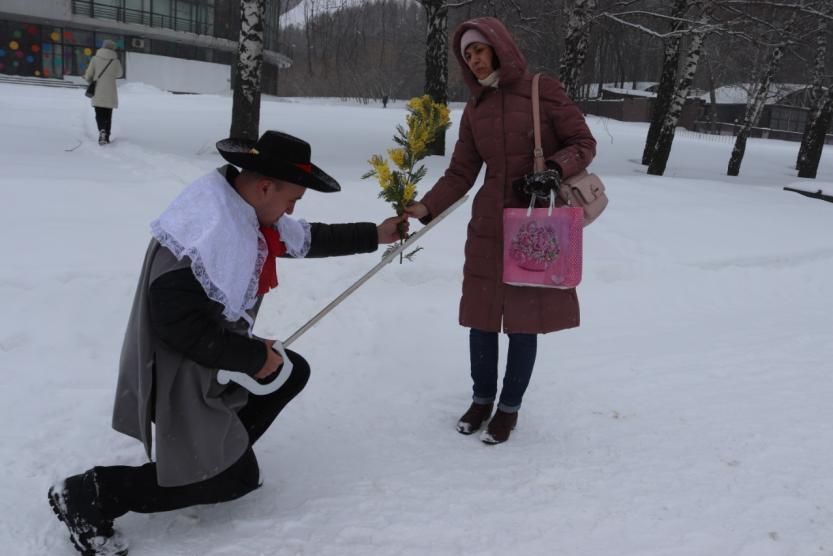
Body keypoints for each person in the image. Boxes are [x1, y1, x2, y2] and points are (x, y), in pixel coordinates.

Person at [47, 130, 407, 556]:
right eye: (291, 199)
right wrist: (253, 355)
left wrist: (375, 235)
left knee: (290, 373)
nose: (291, 210)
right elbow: (177, 325)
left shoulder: (243, 207)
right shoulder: (208, 227)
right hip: (180, 368)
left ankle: (218, 450)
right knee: (235, 480)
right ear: (265, 186)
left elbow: (303, 237)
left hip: (209, 353)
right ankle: (92, 493)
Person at [404, 17, 596, 445]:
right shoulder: (476, 108)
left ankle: (508, 408)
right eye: (466, 55)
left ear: (499, 47)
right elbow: (461, 172)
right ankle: (481, 399)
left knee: (524, 320)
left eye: (479, 50)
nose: (473, 60)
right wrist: (425, 206)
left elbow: (583, 143)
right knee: (483, 316)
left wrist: (553, 171)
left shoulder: (540, 90)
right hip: (490, 223)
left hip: (536, 220)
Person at [83, 39, 123, 145]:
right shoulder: (116, 61)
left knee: (99, 113)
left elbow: (89, 75)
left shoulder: (95, 59)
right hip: (110, 91)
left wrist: (89, 79)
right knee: (108, 114)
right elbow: (119, 74)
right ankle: (107, 137)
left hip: (98, 90)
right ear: (113, 48)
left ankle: (102, 131)